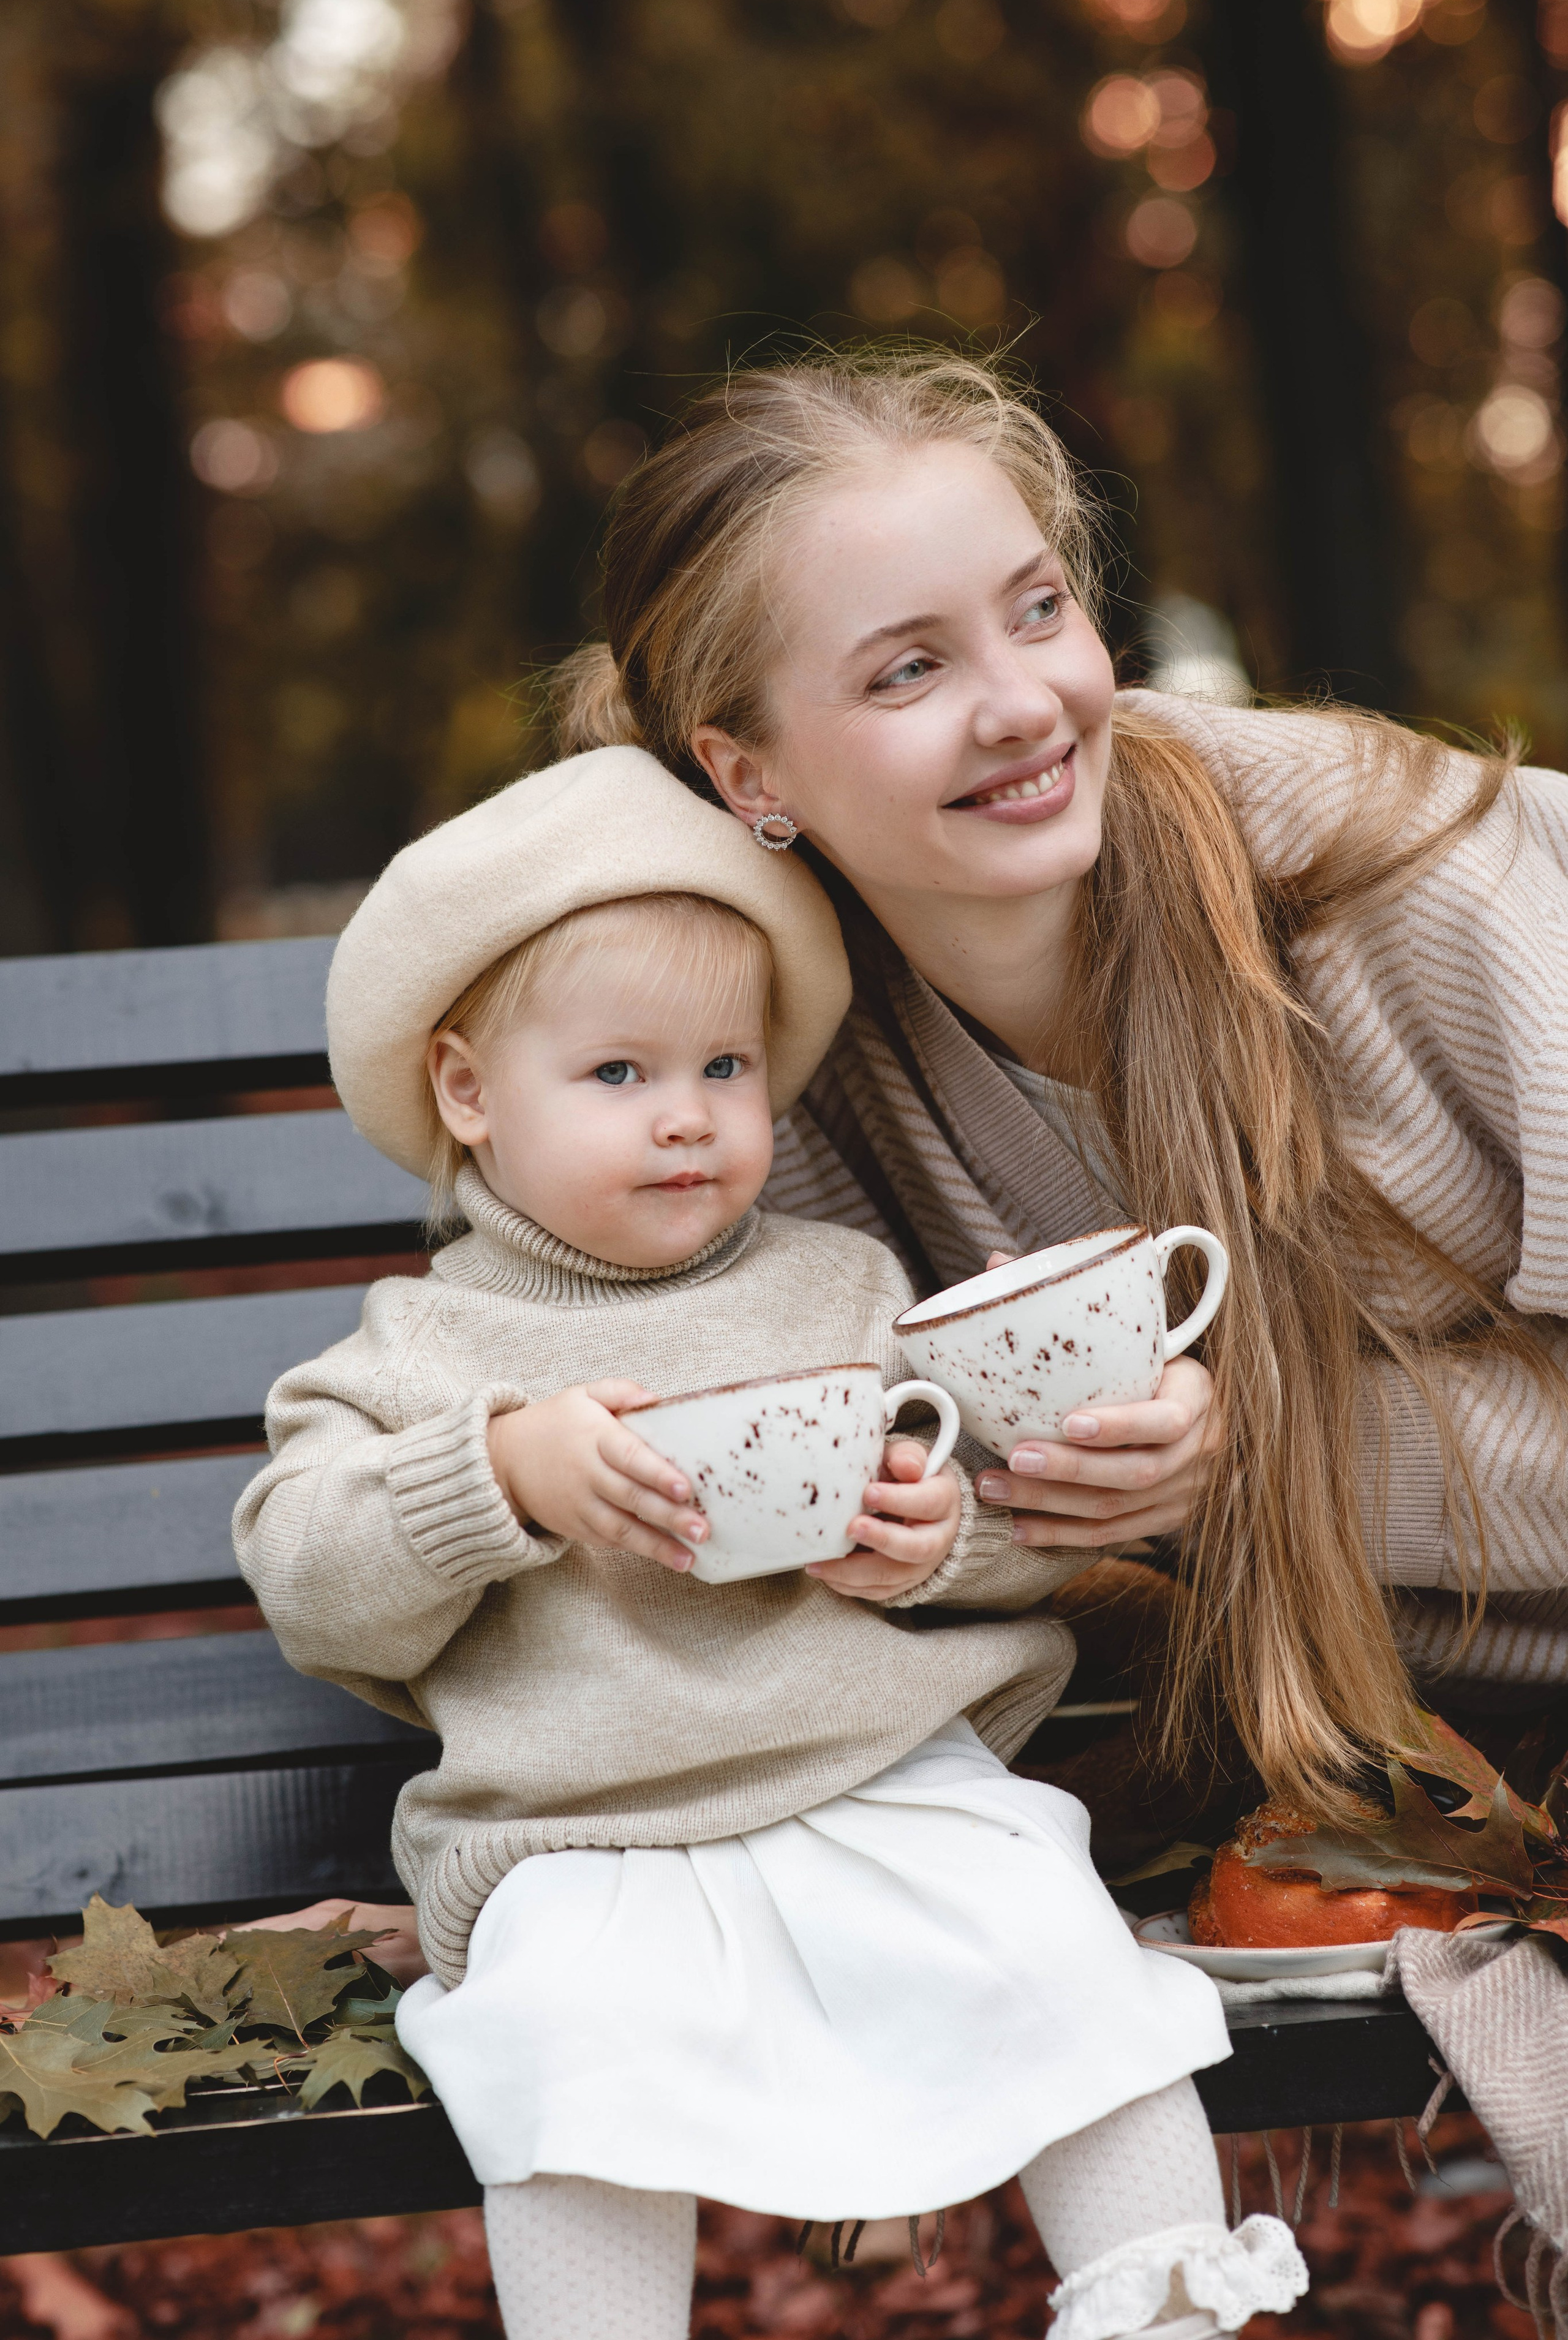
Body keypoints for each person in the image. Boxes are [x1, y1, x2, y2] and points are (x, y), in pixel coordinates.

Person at [233, 755, 1306, 2340]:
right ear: (467, 1092)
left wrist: (934, 1541)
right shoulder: (416, 1353)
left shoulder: (838, 1285)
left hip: (876, 1779)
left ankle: (1167, 2313)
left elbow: (999, 1504)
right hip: (580, 1835)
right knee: (566, 2053)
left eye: (724, 1065)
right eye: (617, 1072)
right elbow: (310, 1580)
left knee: (1057, 1954)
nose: (686, 1115)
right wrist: (499, 1476)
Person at [552, 345, 1568, 1818]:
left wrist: (1257, 1449)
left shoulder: (1392, 871)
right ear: (747, 774)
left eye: (1037, 610)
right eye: (908, 669)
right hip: (1359, 1765)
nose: (1023, 703)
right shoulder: (762, 1057)